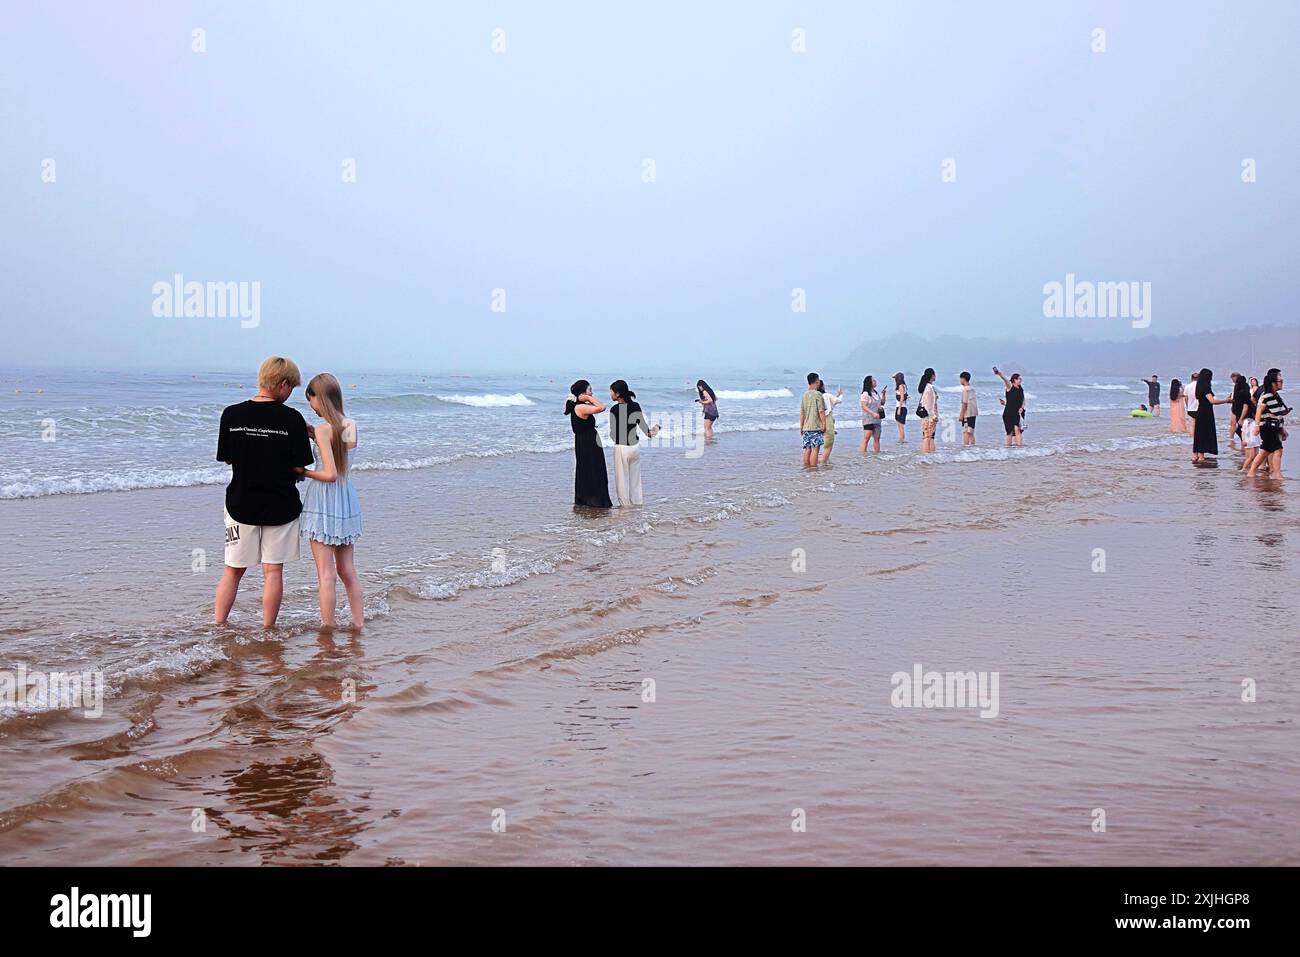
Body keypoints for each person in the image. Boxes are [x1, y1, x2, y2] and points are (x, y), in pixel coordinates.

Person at [214, 356, 315, 628]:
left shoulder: (231, 414)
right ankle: (268, 629)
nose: (290, 393)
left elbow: (226, 458)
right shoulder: (292, 418)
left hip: (240, 501)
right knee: (273, 571)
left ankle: (218, 625)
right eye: (291, 387)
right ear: (282, 384)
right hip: (280, 505)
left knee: (232, 571)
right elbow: (300, 465)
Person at [297, 372, 364, 629]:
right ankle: (358, 624)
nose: (311, 407)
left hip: (324, 502)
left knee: (325, 575)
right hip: (346, 500)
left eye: (311, 400)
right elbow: (340, 455)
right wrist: (316, 435)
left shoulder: (325, 430)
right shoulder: (350, 425)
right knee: (347, 570)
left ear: (319, 398)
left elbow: (329, 473)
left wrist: (303, 472)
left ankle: (328, 628)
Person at [608, 379, 660, 506]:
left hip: (622, 447)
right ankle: (637, 505)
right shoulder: (636, 406)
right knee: (635, 480)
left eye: (611, 392)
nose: (610, 394)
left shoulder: (614, 409)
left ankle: (625, 508)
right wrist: (655, 429)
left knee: (622, 481)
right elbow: (646, 430)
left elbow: (613, 434)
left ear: (618, 394)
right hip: (635, 447)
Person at [565, 380, 612, 507]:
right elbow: (602, 407)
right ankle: (595, 501)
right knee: (594, 470)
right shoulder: (580, 407)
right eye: (590, 390)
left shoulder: (580, 406)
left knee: (587, 469)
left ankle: (587, 499)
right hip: (588, 442)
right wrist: (587, 397)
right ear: (582, 393)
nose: (592, 392)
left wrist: (586, 397)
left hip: (584, 441)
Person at [1247, 369, 1291, 478]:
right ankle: (1277, 474)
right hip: (1267, 427)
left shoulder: (1275, 395)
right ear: (1273, 383)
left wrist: (1282, 428)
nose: (1282, 383)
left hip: (1274, 427)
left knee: (1264, 451)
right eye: (1280, 381)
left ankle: (1251, 472)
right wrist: (1257, 426)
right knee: (1277, 450)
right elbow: (1259, 411)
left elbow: (1276, 414)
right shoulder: (1267, 395)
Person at [1191, 368, 1232, 463]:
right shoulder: (1206, 387)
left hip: (1200, 411)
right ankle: (1201, 456)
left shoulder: (1199, 387)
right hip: (1206, 413)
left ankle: (1196, 455)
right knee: (1204, 433)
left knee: (1199, 433)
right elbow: (1212, 401)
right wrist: (1226, 400)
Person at [799, 372, 827, 468]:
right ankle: (813, 468)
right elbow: (821, 411)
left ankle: (806, 467)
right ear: (817, 381)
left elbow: (802, 413)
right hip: (815, 426)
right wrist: (824, 424)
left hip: (806, 427)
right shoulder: (818, 394)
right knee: (815, 449)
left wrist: (801, 426)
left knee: (807, 449)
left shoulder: (805, 395)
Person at [994, 366, 1024, 447]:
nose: (1020, 380)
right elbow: (1005, 379)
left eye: (1020, 379)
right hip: (1008, 413)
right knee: (1009, 432)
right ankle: (1008, 448)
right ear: (1014, 380)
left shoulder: (1021, 389)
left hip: (1017, 413)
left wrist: (1022, 408)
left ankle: (1019, 448)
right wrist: (999, 373)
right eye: (1019, 379)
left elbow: (1023, 400)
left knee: (1017, 430)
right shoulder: (1010, 386)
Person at [818, 379, 844, 464]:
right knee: (828, 445)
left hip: (817, 422)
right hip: (827, 421)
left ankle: (817, 462)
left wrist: (837, 395)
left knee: (817, 445)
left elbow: (831, 402)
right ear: (822, 386)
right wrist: (841, 394)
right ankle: (823, 463)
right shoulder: (826, 395)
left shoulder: (816, 396)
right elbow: (838, 400)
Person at [859, 375, 884, 453]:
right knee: (866, 438)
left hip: (877, 419)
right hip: (868, 419)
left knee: (877, 438)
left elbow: (882, 403)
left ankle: (877, 454)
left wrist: (884, 395)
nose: (875, 381)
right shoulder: (865, 394)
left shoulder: (876, 393)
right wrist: (873, 413)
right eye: (873, 380)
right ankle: (863, 456)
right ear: (869, 383)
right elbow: (863, 406)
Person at [1238, 392, 1262, 473]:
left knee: (1255, 456)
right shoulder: (1248, 421)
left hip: (1254, 440)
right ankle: (1243, 469)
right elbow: (1243, 431)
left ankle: (1250, 469)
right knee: (1251, 457)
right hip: (1249, 440)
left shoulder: (1254, 422)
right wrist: (1243, 440)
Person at [1228, 372, 1250, 450]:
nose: (1232, 380)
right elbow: (1236, 397)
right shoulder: (1237, 386)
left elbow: (1245, 402)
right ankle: (1232, 439)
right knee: (1233, 423)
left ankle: (1242, 442)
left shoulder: (1243, 386)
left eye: (1233, 378)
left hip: (1241, 408)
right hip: (1236, 407)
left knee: (1240, 425)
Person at [958, 371, 978, 446]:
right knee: (971, 432)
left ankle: (966, 449)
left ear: (963, 379)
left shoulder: (965, 389)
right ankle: (973, 449)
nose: (960, 381)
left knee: (966, 431)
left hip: (967, 414)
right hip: (973, 413)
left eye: (960, 379)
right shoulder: (972, 388)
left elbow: (964, 403)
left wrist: (961, 415)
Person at [893, 373, 909, 443]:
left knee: (900, 427)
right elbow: (904, 397)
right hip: (902, 407)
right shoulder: (903, 386)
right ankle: (901, 440)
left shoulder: (901, 386)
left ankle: (901, 441)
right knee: (900, 426)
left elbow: (902, 397)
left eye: (895, 379)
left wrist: (899, 409)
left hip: (901, 408)